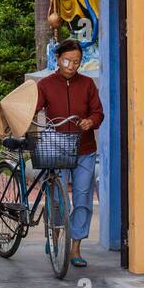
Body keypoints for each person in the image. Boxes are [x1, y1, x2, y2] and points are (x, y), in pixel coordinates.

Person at [34, 39, 104, 268]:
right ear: (57, 59)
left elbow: (98, 112)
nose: (71, 65)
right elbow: (33, 108)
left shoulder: (87, 84)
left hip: (84, 149)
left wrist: (90, 121)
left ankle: (75, 248)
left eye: (76, 61)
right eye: (67, 60)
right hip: (56, 148)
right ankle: (54, 237)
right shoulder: (45, 84)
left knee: (83, 199)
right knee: (57, 198)